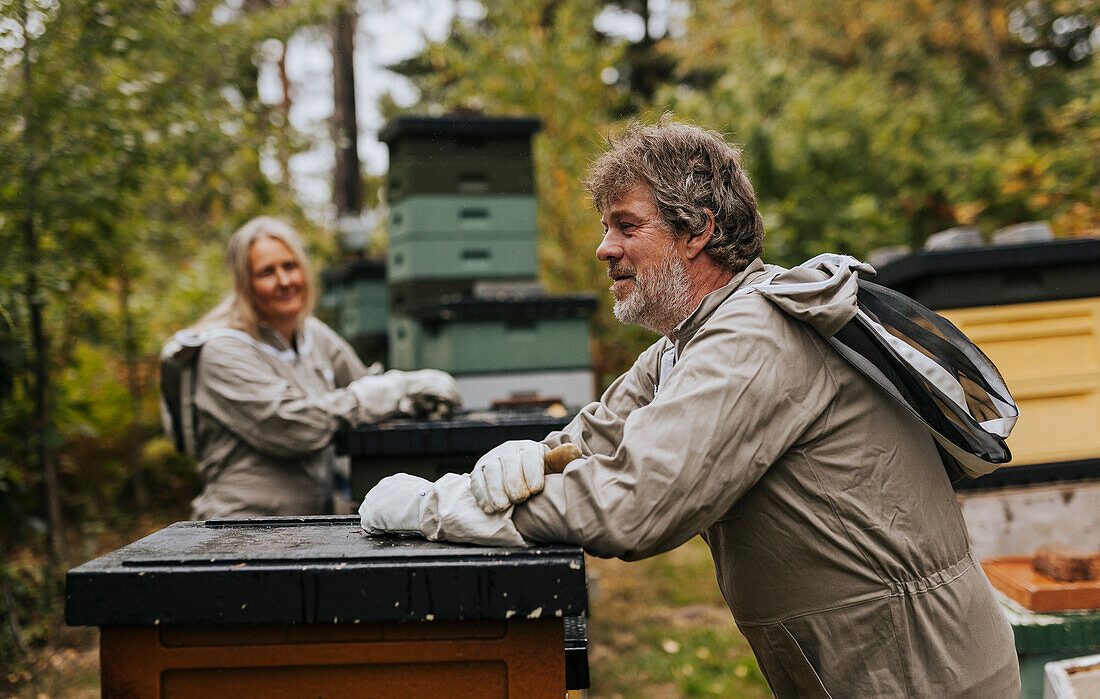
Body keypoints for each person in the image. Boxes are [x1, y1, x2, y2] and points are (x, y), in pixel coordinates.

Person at [359, 119, 1022, 696]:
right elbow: (597, 434)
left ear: (696, 230)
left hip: (921, 670)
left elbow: (636, 501)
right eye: (604, 227)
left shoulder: (757, 334)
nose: (604, 248)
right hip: (857, 663)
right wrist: (533, 454)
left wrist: (437, 509)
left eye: (626, 226)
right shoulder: (692, 339)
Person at [162, 216, 461, 520]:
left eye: (290, 266)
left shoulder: (313, 335)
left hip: (308, 528)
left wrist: (412, 396)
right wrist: (388, 391)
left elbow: (365, 386)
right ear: (244, 284)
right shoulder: (221, 351)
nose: (284, 281)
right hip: (237, 531)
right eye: (267, 272)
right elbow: (295, 426)